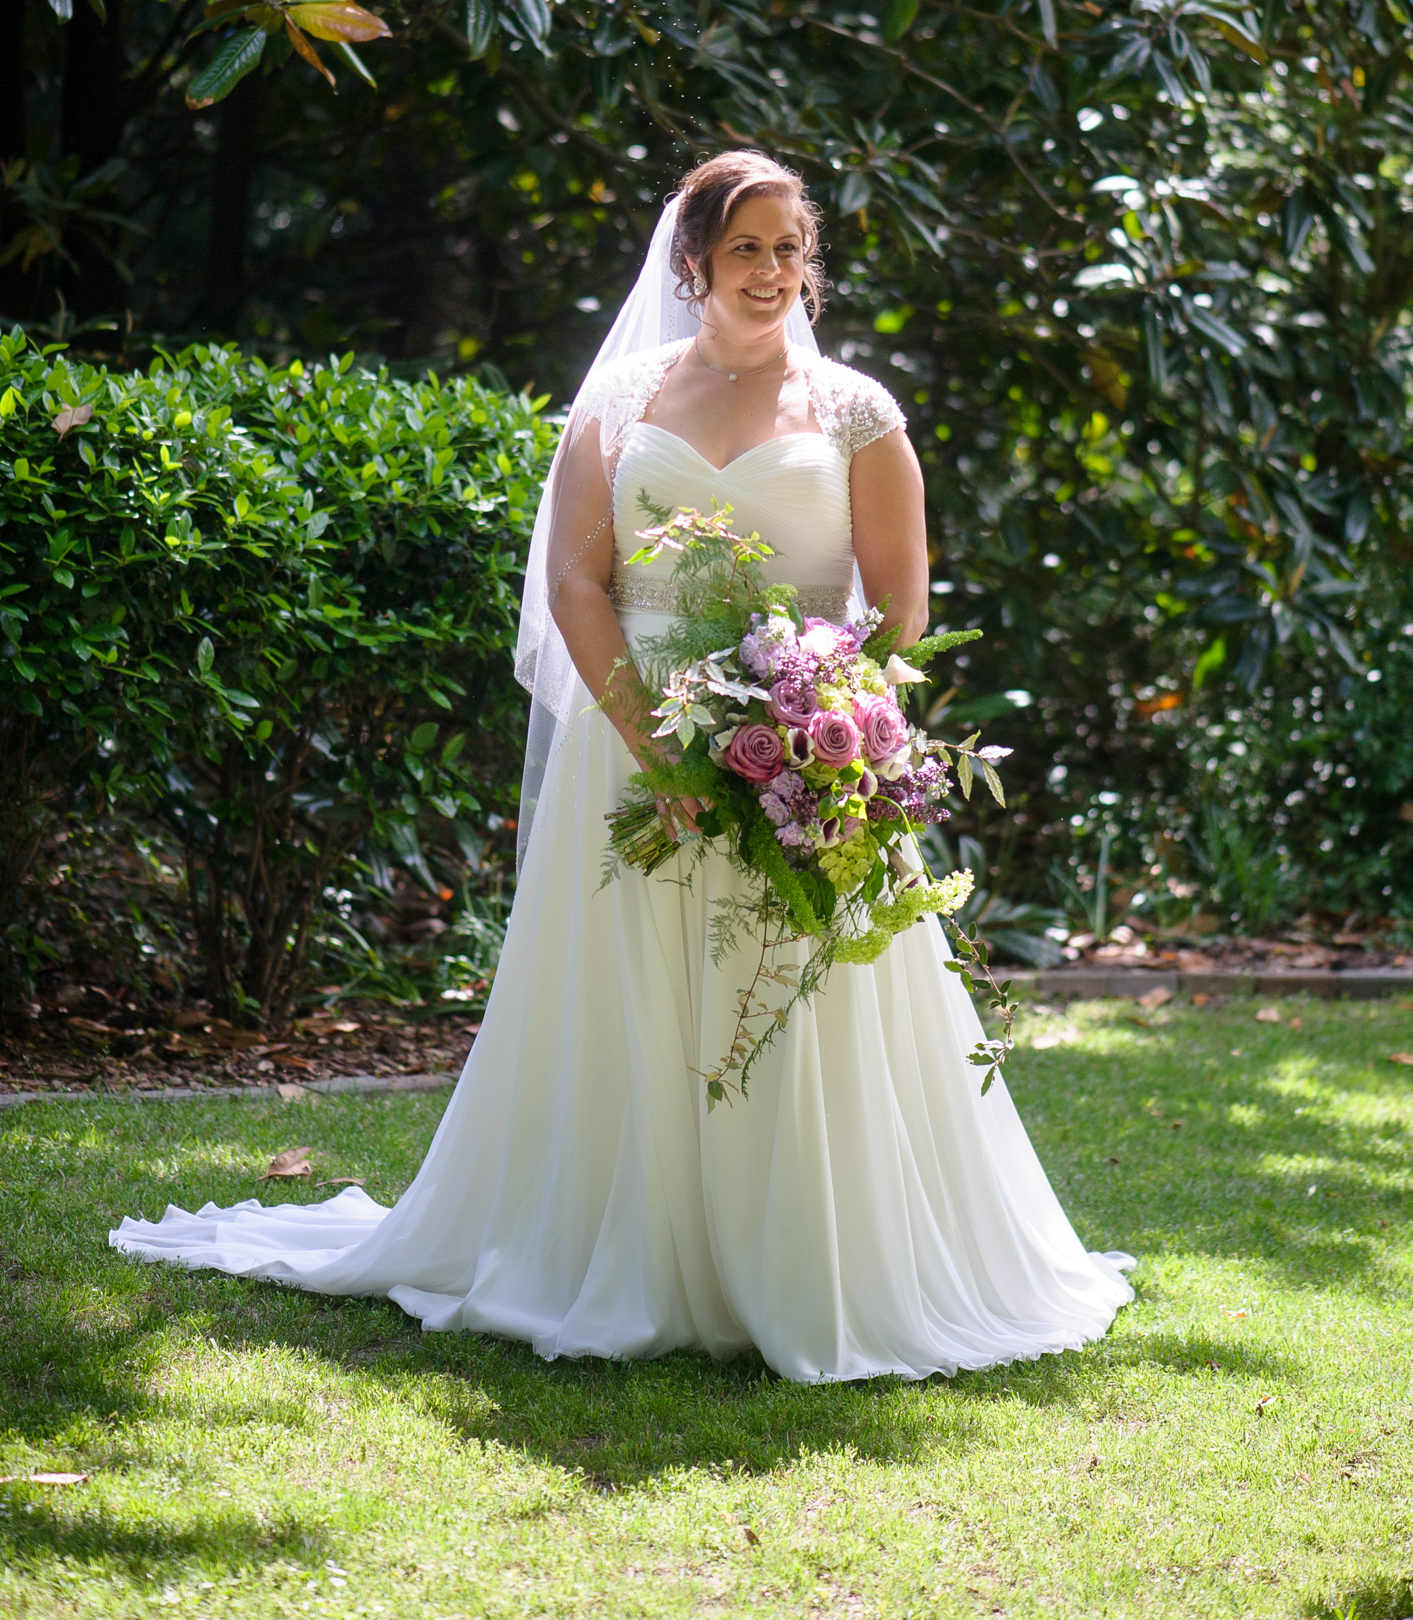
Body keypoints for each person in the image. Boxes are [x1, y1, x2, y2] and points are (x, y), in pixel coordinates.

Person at [111, 151, 1133, 1382]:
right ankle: (635, 1253)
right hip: (633, 744)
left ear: (810, 266)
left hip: (810, 756)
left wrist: (821, 712)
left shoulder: (858, 412)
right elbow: (580, 581)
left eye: (788, 249)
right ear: (693, 261)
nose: (769, 272)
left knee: (797, 994)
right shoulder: (622, 401)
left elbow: (902, 607)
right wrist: (655, 735)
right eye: (746, 248)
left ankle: (815, 1258)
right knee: (634, 1006)